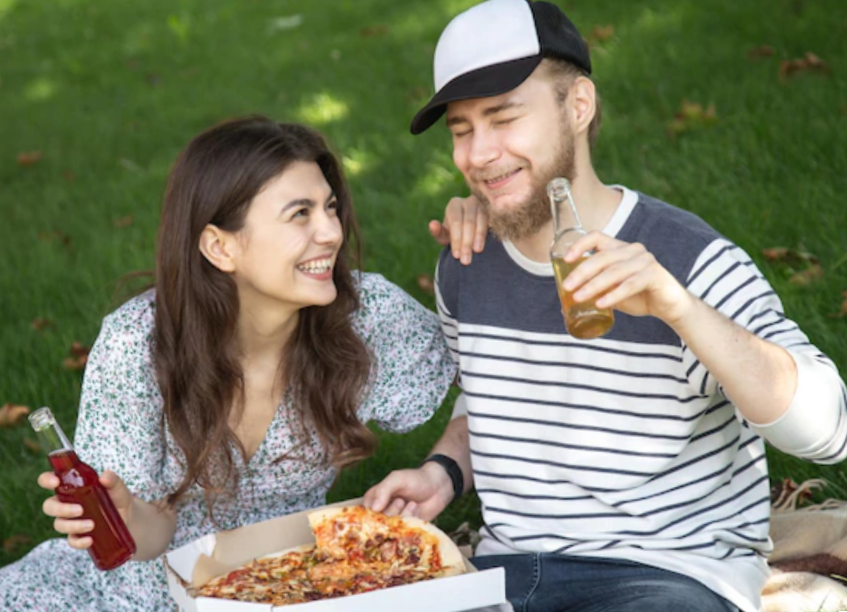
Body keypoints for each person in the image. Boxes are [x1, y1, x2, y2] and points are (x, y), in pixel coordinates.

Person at [363, 1, 847, 611]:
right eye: (461, 130)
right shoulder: (467, 261)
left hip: (664, 574)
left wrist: (680, 309)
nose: (479, 153)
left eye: (504, 117)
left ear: (578, 105)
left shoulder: (689, 260)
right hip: (505, 573)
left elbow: (829, 430)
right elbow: (492, 402)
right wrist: (443, 472)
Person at [0, 116, 457, 612]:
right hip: (130, 593)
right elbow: (147, 537)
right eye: (301, 214)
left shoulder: (364, 317)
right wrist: (127, 517)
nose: (332, 233)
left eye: (331, 207)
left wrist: (444, 470)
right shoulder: (139, 344)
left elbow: (496, 380)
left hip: (288, 581)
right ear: (219, 247)